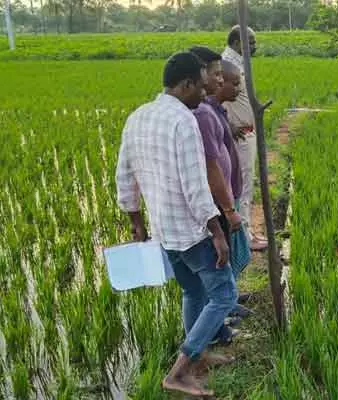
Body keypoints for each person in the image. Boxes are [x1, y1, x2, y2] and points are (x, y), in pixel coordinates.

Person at [116, 52, 235, 398]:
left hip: (164, 230)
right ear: (185, 85)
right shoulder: (183, 121)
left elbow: (124, 176)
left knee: (193, 291)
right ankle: (180, 371)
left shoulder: (137, 117)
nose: (204, 92)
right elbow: (195, 185)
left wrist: (136, 222)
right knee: (224, 294)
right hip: (191, 230)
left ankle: (198, 359)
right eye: (200, 85)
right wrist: (216, 231)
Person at [188, 46, 252, 345]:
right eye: (215, 75)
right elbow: (211, 165)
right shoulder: (201, 114)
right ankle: (215, 332)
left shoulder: (213, 110)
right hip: (217, 203)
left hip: (227, 196)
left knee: (224, 267)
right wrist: (227, 209)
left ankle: (226, 308)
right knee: (212, 274)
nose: (234, 87)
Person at [222, 25, 269, 252]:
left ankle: (247, 231)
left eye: (254, 41)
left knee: (246, 185)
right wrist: (228, 125)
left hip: (246, 133)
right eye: (249, 42)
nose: (253, 46)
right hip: (239, 136)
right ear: (236, 42)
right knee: (242, 188)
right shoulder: (226, 65)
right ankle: (244, 237)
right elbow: (214, 97)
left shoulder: (239, 64)